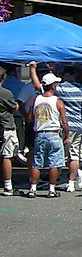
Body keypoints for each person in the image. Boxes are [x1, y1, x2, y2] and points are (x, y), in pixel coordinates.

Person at [29, 63, 82, 193]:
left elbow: (38, 87)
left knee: (59, 157)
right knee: (75, 155)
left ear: (65, 75)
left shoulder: (59, 89)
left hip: (61, 127)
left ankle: (48, 183)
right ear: (75, 75)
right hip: (79, 125)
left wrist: (32, 69)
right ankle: (70, 182)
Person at [27, 72, 68, 198]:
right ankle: (51, 189)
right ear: (53, 86)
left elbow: (29, 118)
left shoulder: (36, 100)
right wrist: (66, 134)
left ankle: (33, 188)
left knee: (37, 162)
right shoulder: (57, 101)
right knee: (54, 162)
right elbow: (64, 121)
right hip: (54, 133)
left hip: (40, 133)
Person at [0, 66, 18, 196]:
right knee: (7, 156)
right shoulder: (5, 93)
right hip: (6, 125)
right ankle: (8, 185)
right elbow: (14, 106)